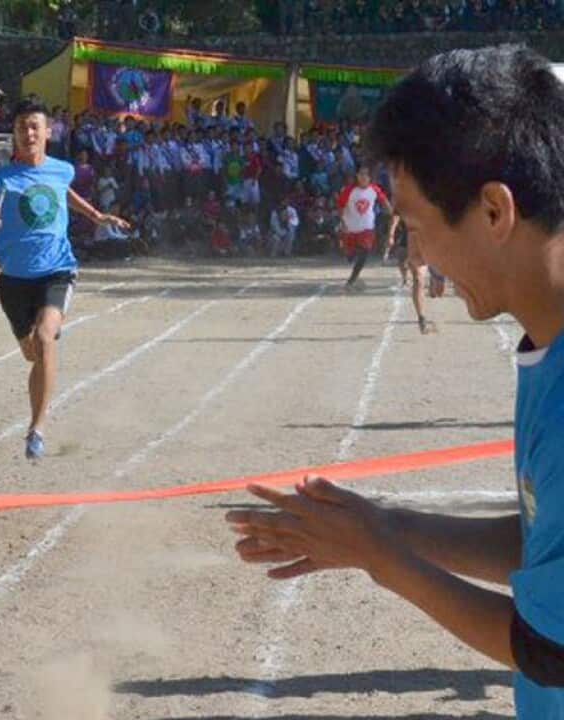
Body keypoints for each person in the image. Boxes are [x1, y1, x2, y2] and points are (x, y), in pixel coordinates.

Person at [226, 45, 564, 719]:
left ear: (494, 212)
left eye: (416, 227)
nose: (418, 254)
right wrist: (385, 526)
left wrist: (381, 557)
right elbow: (543, 544)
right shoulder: (544, 348)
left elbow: (550, 651)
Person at [0, 95, 129, 460]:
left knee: (46, 339)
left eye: (35, 127)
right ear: (14, 133)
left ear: (48, 132)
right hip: (13, 280)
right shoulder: (0, 179)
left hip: (56, 270)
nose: (28, 133)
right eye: (21, 127)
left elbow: (65, 193)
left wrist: (96, 216)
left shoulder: (62, 169)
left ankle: (37, 429)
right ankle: (37, 408)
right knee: (32, 353)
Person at [337, 165, 393, 291]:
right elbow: (340, 207)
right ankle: (351, 257)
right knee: (350, 256)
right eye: (361, 174)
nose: (363, 177)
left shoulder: (374, 189)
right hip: (350, 229)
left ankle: (352, 280)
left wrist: (391, 212)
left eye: (366, 174)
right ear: (357, 176)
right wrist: (343, 223)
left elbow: (384, 200)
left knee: (364, 252)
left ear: (370, 177)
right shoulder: (349, 190)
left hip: (367, 228)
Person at [383, 214, 435, 334]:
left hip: (430, 241)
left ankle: (434, 279)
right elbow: (396, 215)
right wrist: (391, 234)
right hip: (411, 239)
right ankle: (421, 318)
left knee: (436, 291)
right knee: (418, 278)